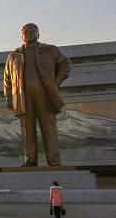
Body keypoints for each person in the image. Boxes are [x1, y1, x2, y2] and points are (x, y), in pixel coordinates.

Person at [4, 23, 71, 166]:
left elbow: (65, 64)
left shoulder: (50, 50)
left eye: (32, 31)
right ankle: (30, 160)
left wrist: (56, 82)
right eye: (25, 32)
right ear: (22, 36)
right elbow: (7, 79)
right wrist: (9, 97)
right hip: (22, 95)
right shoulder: (13, 56)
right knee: (26, 129)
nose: (29, 34)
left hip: (44, 93)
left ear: (38, 35)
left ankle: (53, 160)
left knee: (48, 127)